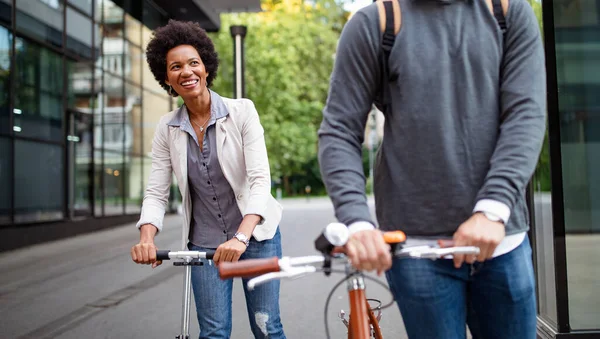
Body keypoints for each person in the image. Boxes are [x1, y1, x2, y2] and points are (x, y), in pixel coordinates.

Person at [318, 0, 546, 338]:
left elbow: (525, 115)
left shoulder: (508, 12)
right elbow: (339, 130)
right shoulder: (375, 22)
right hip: (417, 248)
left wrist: (492, 209)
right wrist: (357, 222)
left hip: (501, 241)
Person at [129, 20, 286, 339]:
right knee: (213, 333)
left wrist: (241, 237)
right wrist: (147, 238)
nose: (186, 71)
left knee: (266, 327)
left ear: (205, 68)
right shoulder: (166, 128)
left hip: (256, 237)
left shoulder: (241, 112)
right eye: (175, 67)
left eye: (193, 63)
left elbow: (259, 181)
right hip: (205, 243)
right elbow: (156, 193)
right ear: (167, 78)